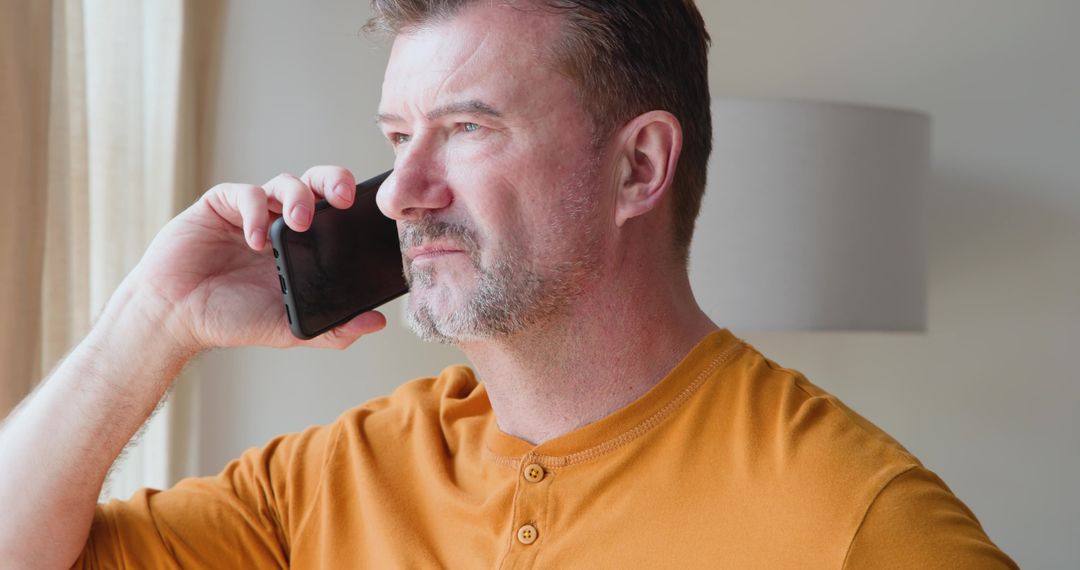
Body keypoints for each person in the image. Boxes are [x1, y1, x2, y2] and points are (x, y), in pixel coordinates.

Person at [0, 1, 1017, 568]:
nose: (401, 190)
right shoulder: (323, 485)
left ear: (638, 168)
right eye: (398, 138)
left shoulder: (859, 524)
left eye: (468, 128)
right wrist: (151, 321)